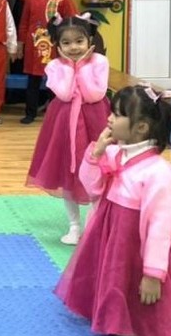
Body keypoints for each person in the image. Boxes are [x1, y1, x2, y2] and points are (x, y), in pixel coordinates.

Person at [54, 85, 171, 336]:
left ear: (140, 128)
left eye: (117, 114)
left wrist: (152, 274)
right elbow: (92, 188)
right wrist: (95, 155)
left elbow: (161, 228)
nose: (109, 118)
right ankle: (114, 319)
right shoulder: (115, 152)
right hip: (110, 235)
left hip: (141, 244)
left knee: (170, 290)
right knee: (116, 278)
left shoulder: (159, 173)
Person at [26, 15, 111, 244]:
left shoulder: (100, 62)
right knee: (67, 172)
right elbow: (63, 93)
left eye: (79, 41)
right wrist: (71, 68)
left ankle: (95, 223)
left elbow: (95, 94)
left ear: (89, 40)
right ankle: (74, 225)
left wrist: (81, 67)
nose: (73, 47)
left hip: (95, 120)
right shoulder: (54, 66)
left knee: (99, 170)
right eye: (66, 43)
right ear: (58, 45)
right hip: (63, 122)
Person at [17, 0, 78, 125]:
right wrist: (20, 44)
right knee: (33, 81)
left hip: (56, 46)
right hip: (34, 47)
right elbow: (24, 23)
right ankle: (30, 113)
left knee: (55, 81)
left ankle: (55, 113)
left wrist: (69, 45)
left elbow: (71, 22)